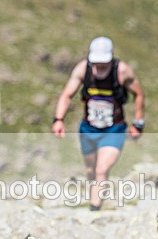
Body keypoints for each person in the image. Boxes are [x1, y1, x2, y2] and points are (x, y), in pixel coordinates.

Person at [51, 36, 146, 210]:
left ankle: (94, 209)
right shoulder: (82, 69)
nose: (99, 67)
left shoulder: (122, 71)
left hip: (114, 130)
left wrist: (138, 123)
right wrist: (58, 119)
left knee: (102, 169)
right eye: (96, 63)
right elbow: (66, 95)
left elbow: (139, 94)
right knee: (91, 169)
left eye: (103, 63)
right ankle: (94, 197)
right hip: (88, 129)